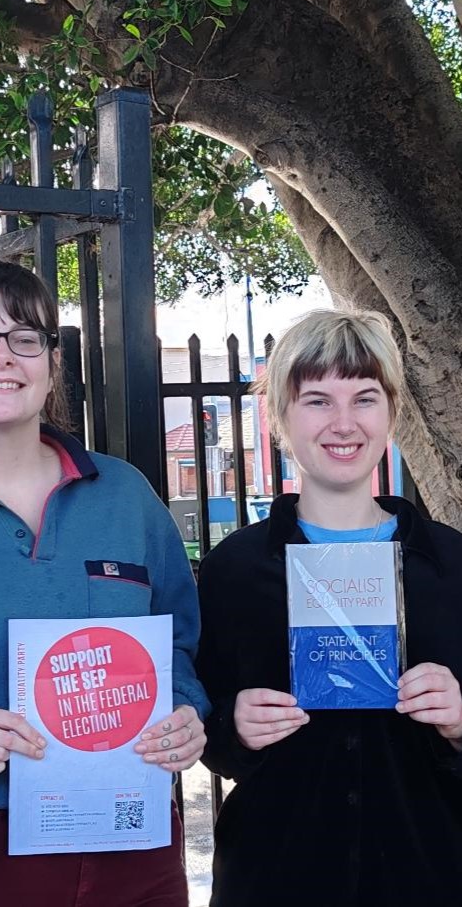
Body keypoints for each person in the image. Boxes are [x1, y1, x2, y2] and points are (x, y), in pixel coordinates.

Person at [0, 258, 209, 907]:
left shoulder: (126, 498)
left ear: (52, 362)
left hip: (130, 838)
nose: (2, 356)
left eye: (25, 338)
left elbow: (180, 647)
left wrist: (185, 712)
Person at [196, 310, 462, 907]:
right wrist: (231, 726)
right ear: (281, 418)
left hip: (432, 874)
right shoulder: (234, 570)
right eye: (317, 400)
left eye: (364, 397)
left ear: (391, 411)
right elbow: (197, 723)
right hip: (276, 877)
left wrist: (460, 719)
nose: (344, 423)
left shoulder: (452, 565)